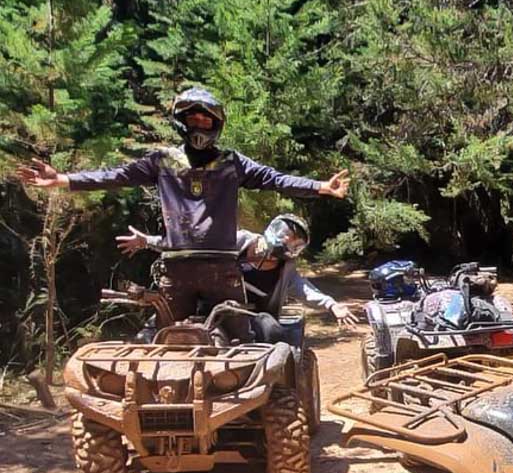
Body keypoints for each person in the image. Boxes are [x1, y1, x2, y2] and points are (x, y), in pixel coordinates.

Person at [16, 86, 351, 319]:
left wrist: (320, 186)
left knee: (239, 338)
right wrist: (63, 180)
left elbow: (275, 178)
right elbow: (116, 176)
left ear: (217, 124)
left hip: (223, 267)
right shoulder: (162, 161)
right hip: (176, 268)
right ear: (182, 121)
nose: (200, 125)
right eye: (193, 119)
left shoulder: (232, 163)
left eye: (207, 120)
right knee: (165, 341)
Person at [118, 213, 360, 340]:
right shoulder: (233, 241)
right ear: (274, 228)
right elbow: (190, 244)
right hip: (205, 307)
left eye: (296, 241)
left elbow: (305, 289)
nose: (287, 240)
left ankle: (273, 392)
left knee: (273, 331)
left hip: (251, 318)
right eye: (286, 232)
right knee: (151, 333)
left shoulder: (285, 270)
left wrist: (332, 305)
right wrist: (147, 242)